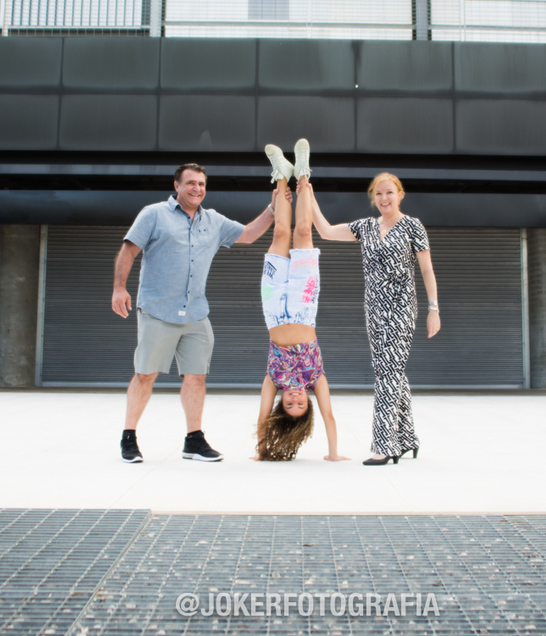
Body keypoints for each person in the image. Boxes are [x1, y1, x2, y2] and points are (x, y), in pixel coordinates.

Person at [112, 162, 281, 463]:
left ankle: (194, 440)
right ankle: (129, 437)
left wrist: (272, 208)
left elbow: (248, 234)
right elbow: (129, 249)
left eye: (201, 184)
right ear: (176, 186)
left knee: (196, 377)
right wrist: (119, 288)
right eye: (191, 183)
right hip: (157, 310)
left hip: (196, 313)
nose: (197, 188)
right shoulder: (154, 214)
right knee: (145, 374)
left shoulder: (213, 221)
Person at [311, 172, 440, 466]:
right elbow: (326, 231)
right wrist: (309, 194)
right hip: (374, 308)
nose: (384, 198)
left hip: (401, 307)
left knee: (388, 373)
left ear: (400, 194)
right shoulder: (366, 227)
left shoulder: (412, 226)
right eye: (379, 193)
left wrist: (434, 309)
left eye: (389, 192)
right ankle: (407, 438)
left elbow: (427, 269)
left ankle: (384, 445)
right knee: (389, 370)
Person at [254, 140, 346, 462]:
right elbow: (329, 416)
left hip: (273, 307)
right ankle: (303, 174)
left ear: (281, 404)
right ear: (308, 404)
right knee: (303, 232)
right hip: (305, 305)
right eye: (300, 404)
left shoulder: (273, 380)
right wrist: (333, 454)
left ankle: (281, 175)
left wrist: (262, 452)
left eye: (289, 404)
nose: (294, 398)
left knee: (281, 233)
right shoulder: (315, 379)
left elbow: (262, 418)